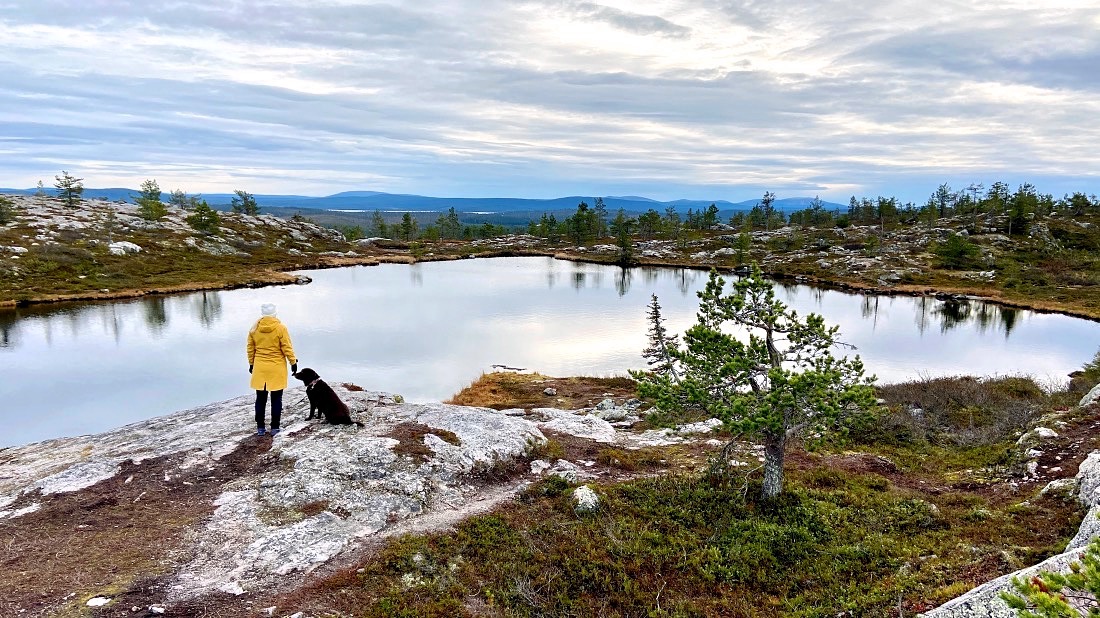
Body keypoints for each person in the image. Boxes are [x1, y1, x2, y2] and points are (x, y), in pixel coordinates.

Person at [246, 303, 297, 436]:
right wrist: (293, 362)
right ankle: (275, 428)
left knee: (260, 399)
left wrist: (251, 363)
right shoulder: (281, 328)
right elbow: (287, 347)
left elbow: (250, 348)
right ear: (275, 314)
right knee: (276, 399)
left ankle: (260, 428)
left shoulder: (254, 328)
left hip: (260, 367)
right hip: (276, 367)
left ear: (262, 314)